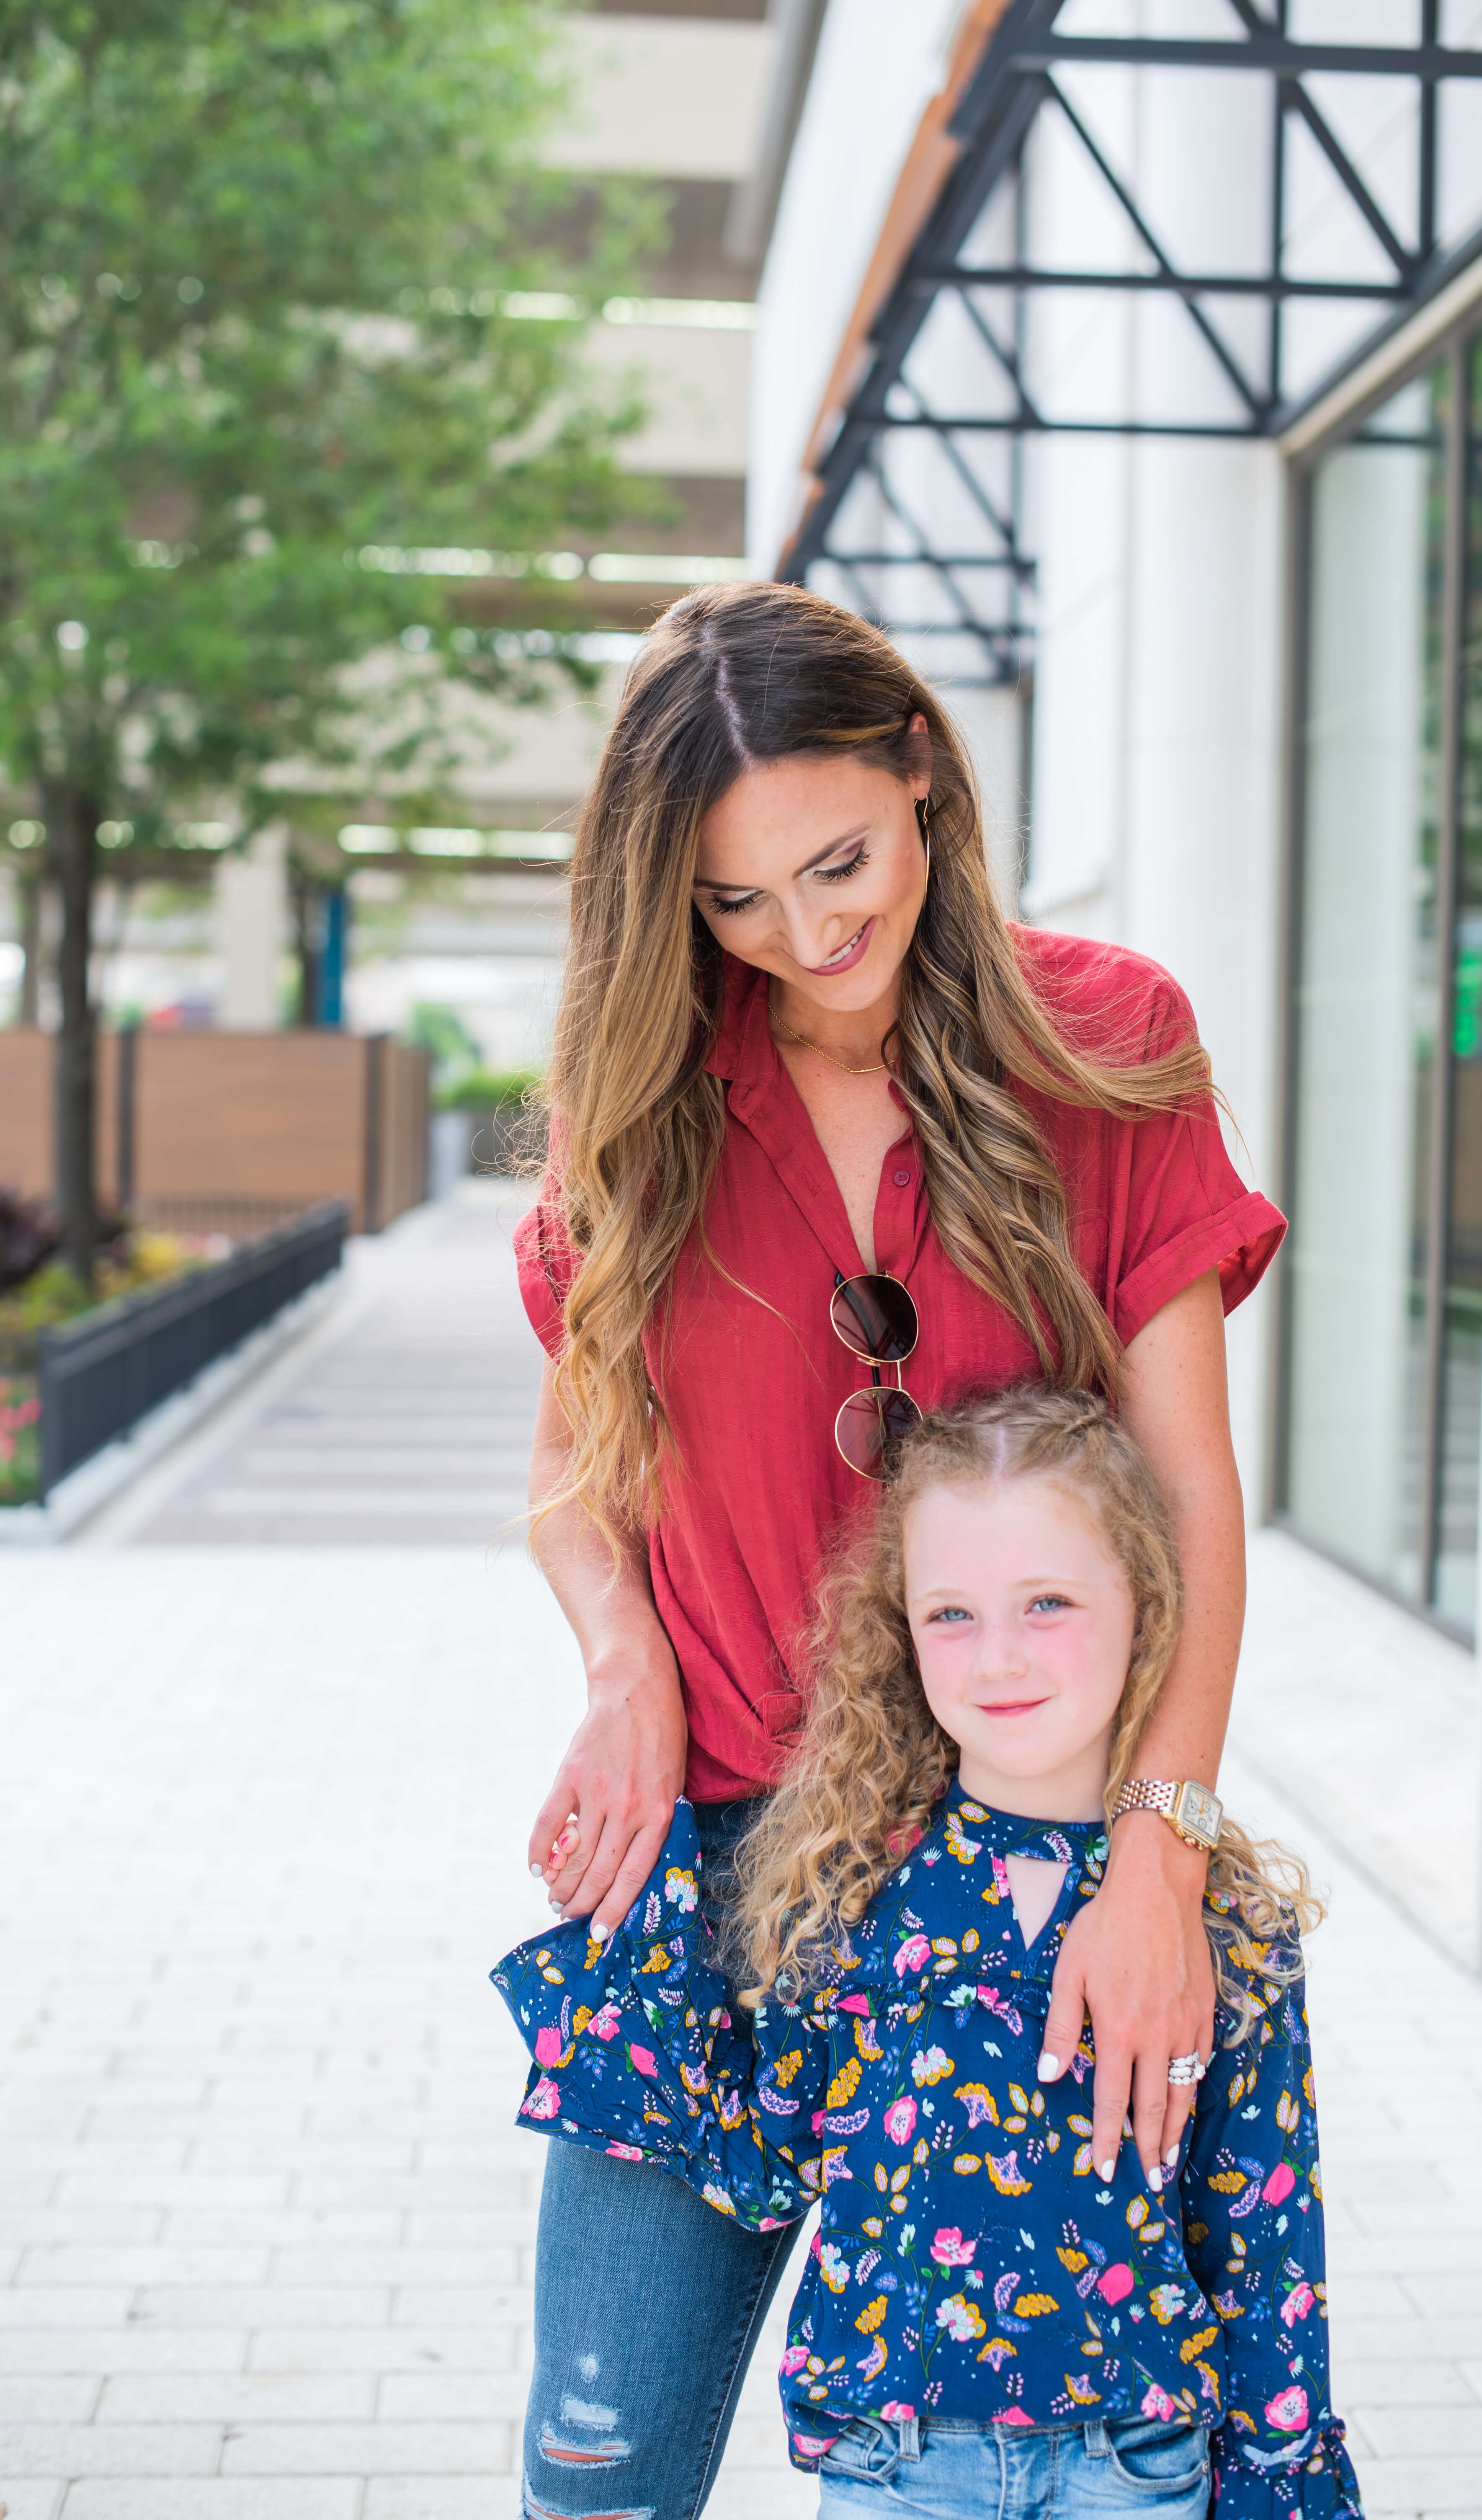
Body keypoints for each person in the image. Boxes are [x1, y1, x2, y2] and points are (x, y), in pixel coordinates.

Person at [513, 581, 1286, 2517]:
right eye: (734, 899)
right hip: (705, 1879)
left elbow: (1191, 1495)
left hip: (1027, 1888)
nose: (803, 933)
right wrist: (622, 1662)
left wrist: (1158, 1855)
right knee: (594, 2471)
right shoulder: (645, 1095)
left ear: (922, 766)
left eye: (836, 863)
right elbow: (570, 1469)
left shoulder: (1107, 1040)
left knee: (1017, 2479)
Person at [497, 1387, 1360, 2519]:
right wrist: (638, 1957)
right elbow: (766, 2161)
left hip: (1137, 2469)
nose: (998, 1658)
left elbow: (1266, 2250)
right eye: (951, 1614)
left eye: (1047, 1603)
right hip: (895, 2473)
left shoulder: (1213, 1926)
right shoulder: (847, 1895)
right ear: (900, 1628)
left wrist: (1282, 2485)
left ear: (1147, 1605)